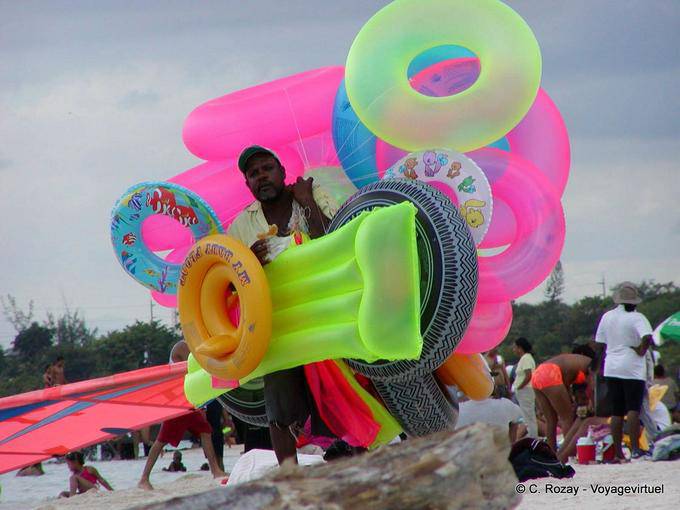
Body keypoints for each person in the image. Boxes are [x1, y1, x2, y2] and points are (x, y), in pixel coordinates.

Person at [227, 145, 338, 465]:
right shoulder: (241, 225)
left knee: (341, 398)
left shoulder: (312, 195)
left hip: (324, 313)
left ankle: (357, 469)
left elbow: (334, 237)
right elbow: (231, 280)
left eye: (266, 168)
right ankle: (289, 478)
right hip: (279, 325)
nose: (261, 176)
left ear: (281, 171)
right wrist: (248, 260)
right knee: (279, 408)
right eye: (253, 173)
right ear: (247, 183)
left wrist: (307, 201)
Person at [138, 341, 227, 489]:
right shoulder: (182, 347)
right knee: (161, 440)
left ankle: (216, 470)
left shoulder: (196, 348)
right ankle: (144, 478)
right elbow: (195, 369)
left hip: (189, 402)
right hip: (179, 403)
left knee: (205, 432)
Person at [595, 282, 653, 461]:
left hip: (611, 366)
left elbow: (600, 343)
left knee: (617, 411)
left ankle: (618, 452)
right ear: (634, 302)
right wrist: (641, 351)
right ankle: (635, 449)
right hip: (632, 368)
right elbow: (647, 337)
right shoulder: (637, 317)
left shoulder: (607, 317)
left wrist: (599, 367)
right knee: (633, 408)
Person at [531, 352, 595, 453]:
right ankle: (570, 452)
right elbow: (592, 386)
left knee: (550, 420)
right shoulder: (592, 365)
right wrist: (592, 401)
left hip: (537, 373)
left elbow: (564, 384)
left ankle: (551, 452)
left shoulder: (575, 362)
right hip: (551, 373)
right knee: (567, 417)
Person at [455, 396, 525, 443]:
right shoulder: (505, 404)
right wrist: (511, 443)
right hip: (501, 457)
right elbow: (520, 420)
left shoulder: (458, 410)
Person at [512, 337, 537, 437]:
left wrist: (519, 386)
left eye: (515, 347)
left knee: (529, 416)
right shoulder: (525, 358)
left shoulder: (526, 358)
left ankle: (533, 437)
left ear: (519, 348)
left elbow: (528, 375)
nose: (514, 350)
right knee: (527, 416)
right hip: (524, 390)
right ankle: (531, 435)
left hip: (525, 390)